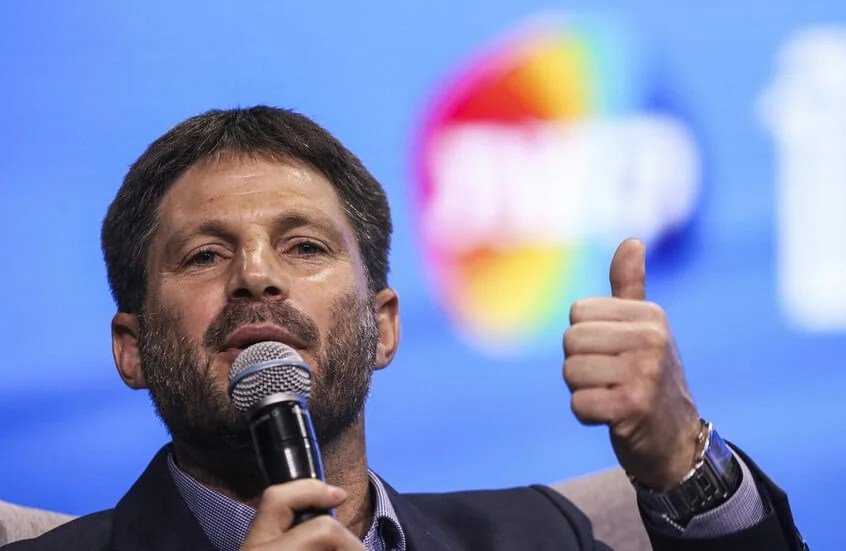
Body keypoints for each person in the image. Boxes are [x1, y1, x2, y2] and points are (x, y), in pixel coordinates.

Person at [5, 106, 805, 551]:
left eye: (304, 246)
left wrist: (679, 459)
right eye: (206, 254)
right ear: (133, 349)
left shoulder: (541, 537)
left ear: (383, 327)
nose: (256, 275)